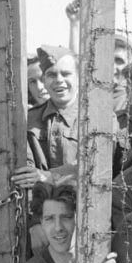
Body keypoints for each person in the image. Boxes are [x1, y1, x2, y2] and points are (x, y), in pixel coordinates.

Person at [13, 45, 79, 187]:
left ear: (79, 78)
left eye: (66, 74)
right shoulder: (29, 119)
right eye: (51, 75)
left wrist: (48, 176)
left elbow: (97, 163)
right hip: (41, 205)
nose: (59, 80)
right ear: (43, 80)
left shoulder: (98, 117)